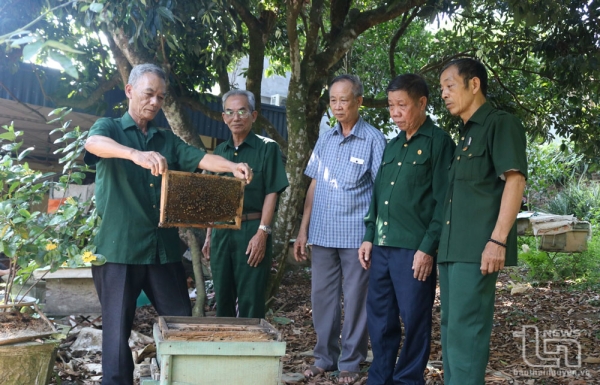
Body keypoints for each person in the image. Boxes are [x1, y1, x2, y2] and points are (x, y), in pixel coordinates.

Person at [83, 63, 253, 385]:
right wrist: (135, 154)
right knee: (116, 335)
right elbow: (93, 145)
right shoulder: (109, 128)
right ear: (130, 91)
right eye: (149, 94)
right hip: (118, 250)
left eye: (161, 97)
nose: (155, 102)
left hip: (162, 250)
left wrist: (232, 166)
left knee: (181, 326)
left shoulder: (165, 139)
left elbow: (200, 158)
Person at [358, 74, 455, 385]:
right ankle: (380, 377)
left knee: (414, 319)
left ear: (422, 103)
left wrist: (428, 247)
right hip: (382, 247)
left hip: (414, 249)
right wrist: (368, 235)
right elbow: (378, 195)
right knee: (380, 318)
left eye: (402, 105)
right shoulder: (393, 145)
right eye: (391, 106)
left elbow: (444, 201)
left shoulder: (439, 143)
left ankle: (408, 380)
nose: (395, 112)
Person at [438, 58, 527, 384]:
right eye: (441, 88)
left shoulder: (500, 124)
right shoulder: (466, 135)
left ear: (473, 84)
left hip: (477, 249)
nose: (444, 94)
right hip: (452, 250)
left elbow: (515, 181)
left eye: (450, 85)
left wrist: (497, 240)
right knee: (452, 331)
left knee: (467, 333)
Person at [294, 74, 386, 384]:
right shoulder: (325, 138)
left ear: (359, 101)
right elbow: (314, 185)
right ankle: (324, 358)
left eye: (343, 100)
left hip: (355, 237)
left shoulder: (374, 139)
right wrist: (303, 230)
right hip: (321, 234)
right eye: (333, 100)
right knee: (322, 299)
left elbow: (381, 193)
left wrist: (372, 236)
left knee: (356, 299)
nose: (337, 106)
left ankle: (350, 362)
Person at [202, 89, 289, 318]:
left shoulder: (267, 148)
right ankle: (225, 350)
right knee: (222, 298)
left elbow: (273, 191)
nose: (236, 117)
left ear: (254, 115)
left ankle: (250, 350)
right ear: (223, 117)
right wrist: (209, 235)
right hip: (222, 231)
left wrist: (263, 232)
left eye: (242, 111)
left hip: (252, 229)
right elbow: (214, 195)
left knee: (251, 300)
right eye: (230, 112)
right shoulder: (220, 152)